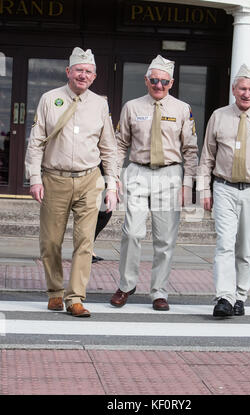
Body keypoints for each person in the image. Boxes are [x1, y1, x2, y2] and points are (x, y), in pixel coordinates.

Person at [25, 47, 118, 317]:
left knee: (85, 241)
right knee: (50, 242)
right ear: (69, 72)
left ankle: (75, 297)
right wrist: (35, 178)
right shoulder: (49, 99)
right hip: (55, 179)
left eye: (89, 71)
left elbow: (109, 148)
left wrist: (111, 185)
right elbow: (36, 143)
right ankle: (55, 292)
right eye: (79, 70)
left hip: (90, 180)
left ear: (95, 76)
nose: (83, 75)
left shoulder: (100, 103)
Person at [110, 55, 198, 311]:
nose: (159, 85)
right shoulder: (132, 107)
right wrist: (114, 177)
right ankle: (126, 285)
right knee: (132, 233)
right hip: (137, 172)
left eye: (164, 81)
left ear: (172, 82)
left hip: (169, 175)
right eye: (154, 80)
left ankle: (159, 291)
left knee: (165, 240)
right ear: (146, 80)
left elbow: (191, 149)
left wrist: (188, 185)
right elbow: (119, 144)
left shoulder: (183, 109)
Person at [197, 64, 250, 317]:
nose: (246, 93)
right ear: (234, 90)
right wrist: (204, 189)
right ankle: (224, 297)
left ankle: (240, 296)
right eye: (242, 88)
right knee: (225, 244)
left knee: (246, 247)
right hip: (224, 187)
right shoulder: (219, 116)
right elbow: (207, 156)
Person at [91, 162, 112, 263]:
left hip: (104, 169)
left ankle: (88, 248)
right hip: (90, 167)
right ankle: (85, 250)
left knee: (105, 212)